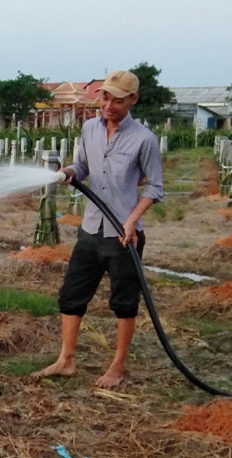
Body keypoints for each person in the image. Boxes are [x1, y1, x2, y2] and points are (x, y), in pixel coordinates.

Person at [35, 70, 164, 388]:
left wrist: (132, 221)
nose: (108, 105)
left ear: (132, 100)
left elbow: (155, 188)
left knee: (124, 302)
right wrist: (69, 171)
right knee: (71, 295)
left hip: (124, 236)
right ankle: (66, 360)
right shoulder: (90, 128)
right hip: (91, 228)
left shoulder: (143, 139)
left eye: (117, 100)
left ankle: (117, 366)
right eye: (105, 97)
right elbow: (83, 166)